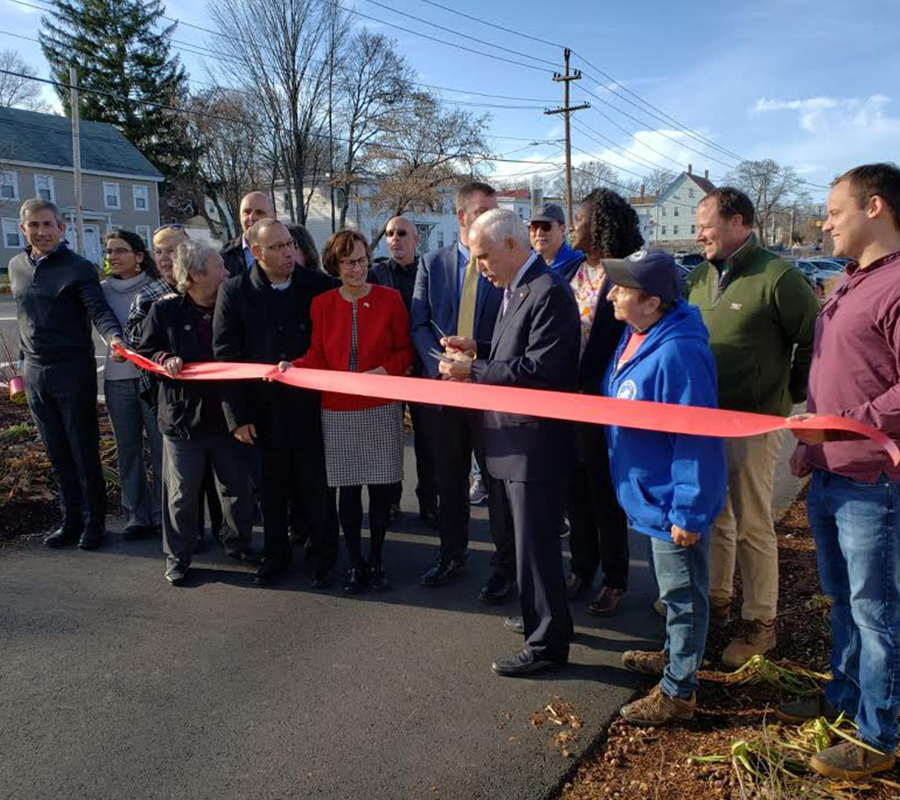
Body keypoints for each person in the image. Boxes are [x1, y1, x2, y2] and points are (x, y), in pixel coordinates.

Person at [775, 163, 900, 781]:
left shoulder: (898, 286)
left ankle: (880, 736)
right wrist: (813, 442)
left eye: (833, 211)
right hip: (828, 473)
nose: (824, 223)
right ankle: (844, 699)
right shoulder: (848, 283)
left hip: (873, 483)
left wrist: (844, 425)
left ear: (874, 207)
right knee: (843, 602)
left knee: (877, 610)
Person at [439, 209, 579, 676]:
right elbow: (514, 354)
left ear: (513, 246)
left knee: (537, 547)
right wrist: (478, 348)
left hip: (533, 445)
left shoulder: (549, 292)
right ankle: (537, 618)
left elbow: (541, 371)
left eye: (483, 257)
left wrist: (472, 370)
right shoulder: (518, 287)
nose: (479, 268)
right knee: (525, 545)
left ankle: (546, 646)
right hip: (513, 441)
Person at [686, 187, 819, 667]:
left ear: (739, 221)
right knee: (715, 516)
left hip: (755, 422)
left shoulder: (778, 276)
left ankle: (760, 623)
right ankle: (717, 602)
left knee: (752, 522)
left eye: (706, 224)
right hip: (706, 417)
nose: (698, 233)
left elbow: (813, 337)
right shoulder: (700, 276)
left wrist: (786, 393)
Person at [601, 250, 726, 725]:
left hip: (673, 500)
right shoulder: (636, 334)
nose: (612, 293)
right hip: (648, 495)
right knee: (672, 591)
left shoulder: (679, 352)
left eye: (623, 288)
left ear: (652, 302)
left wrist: (690, 512)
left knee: (683, 594)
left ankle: (679, 691)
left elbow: (696, 438)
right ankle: (675, 655)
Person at [281, 229, 413, 593]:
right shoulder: (322, 304)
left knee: (383, 487)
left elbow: (405, 351)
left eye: (363, 260)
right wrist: (293, 366)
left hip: (381, 404)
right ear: (335, 266)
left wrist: (382, 372)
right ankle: (355, 563)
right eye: (349, 262)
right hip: (339, 408)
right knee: (349, 490)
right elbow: (318, 355)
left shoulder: (391, 299)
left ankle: (378, 557)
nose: (358, 268)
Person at [214, 218, 339, 588]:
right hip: (262, 411)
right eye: (278, 247)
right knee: (271, 489)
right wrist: (236, 416)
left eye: (289, 244)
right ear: (256, 253)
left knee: (316, 487)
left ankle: (325, 556)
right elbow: (226, 356)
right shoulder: (235, 292)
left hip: (311, 407)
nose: (288, 252)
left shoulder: (318, 287)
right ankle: (275, 555)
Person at [411, 182, 514, 602]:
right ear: (461, 218)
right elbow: (419, 323)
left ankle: (504, 567)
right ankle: (451, 554)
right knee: (449, 481)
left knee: (497, 485)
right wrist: (442, 364)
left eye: (496, 210)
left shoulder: (503, 265)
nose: (491, 218)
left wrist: (476, 367)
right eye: (483, 211)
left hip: (489, 391)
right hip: (445, 394)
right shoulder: (432, 264)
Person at [8, 198, 125, 550]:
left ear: (62, 228)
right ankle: (69, 519)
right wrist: (22, 365)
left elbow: (98, 310)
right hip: (35, 373)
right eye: (34, 225)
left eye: (48, 225)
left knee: (82, 449)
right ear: (23, 229)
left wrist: (114, 337)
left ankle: (95, 523)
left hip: (73, 370)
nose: (42, 232)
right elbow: (27, 318)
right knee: (56, 451)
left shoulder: (80, 268)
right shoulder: (16, 266)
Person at [138, 241, 256, 585]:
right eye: (220, 266)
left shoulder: (233, 306)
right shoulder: (165, 312)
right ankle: (178, 555)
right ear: (196, 274)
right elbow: (146, 349)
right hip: (182, 420)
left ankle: (238, 544)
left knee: (237, 488)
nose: (228, 272)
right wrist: (164, 359)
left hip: (226, 418)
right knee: (181, 494)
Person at [561, 189, 640, 617]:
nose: (573, 225)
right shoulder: (574, 268)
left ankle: (615, 578)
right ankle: (581, 567)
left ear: (600, 226)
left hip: (603, 398)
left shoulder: (626, 272)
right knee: (574, 487)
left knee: (603, 494)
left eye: (579, 218)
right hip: (568, 398)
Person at [126, 224, 225, 546]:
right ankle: (186, 542)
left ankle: (228, 537)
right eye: (160, 252)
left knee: (224, 482)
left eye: (172, 250)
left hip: (220, 409)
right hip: (176, 406)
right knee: (184, 486)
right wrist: (165, 358)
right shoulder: (155, 300)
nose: (166, 257)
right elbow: (141, 346)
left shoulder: (224, 298)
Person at [370, 216, 439, 529]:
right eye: (389, 234)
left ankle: (429, 502)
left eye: (401, 233)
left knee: (427, 442)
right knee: (389, 441)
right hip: (391, 371)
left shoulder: (431, 272)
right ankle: (391, 500)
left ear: (416, 239)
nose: (394, 238)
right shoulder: (376, 274)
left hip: (424, 370)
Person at [100, 229, 164, 541]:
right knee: (128, 449)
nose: (113, 257)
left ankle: (164, 515)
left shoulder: (156, 288)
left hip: (150, 380)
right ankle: (135, 516)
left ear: (139, 256)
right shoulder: (99, 291)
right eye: (109, 251)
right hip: (116, 381)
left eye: (120, 250)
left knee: (161, 448)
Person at [220, 192, 276, 277]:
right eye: (247, 212)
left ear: (273, 217)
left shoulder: (288, 251)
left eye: (259, 212)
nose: (252, 217)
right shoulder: (225, 257)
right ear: (240, 217)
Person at [529, 203, 583, 273]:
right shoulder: (524, 263)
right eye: (534, 227)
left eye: (546, 227)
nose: (539, 233)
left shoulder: (578, 263)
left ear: (562, 229)